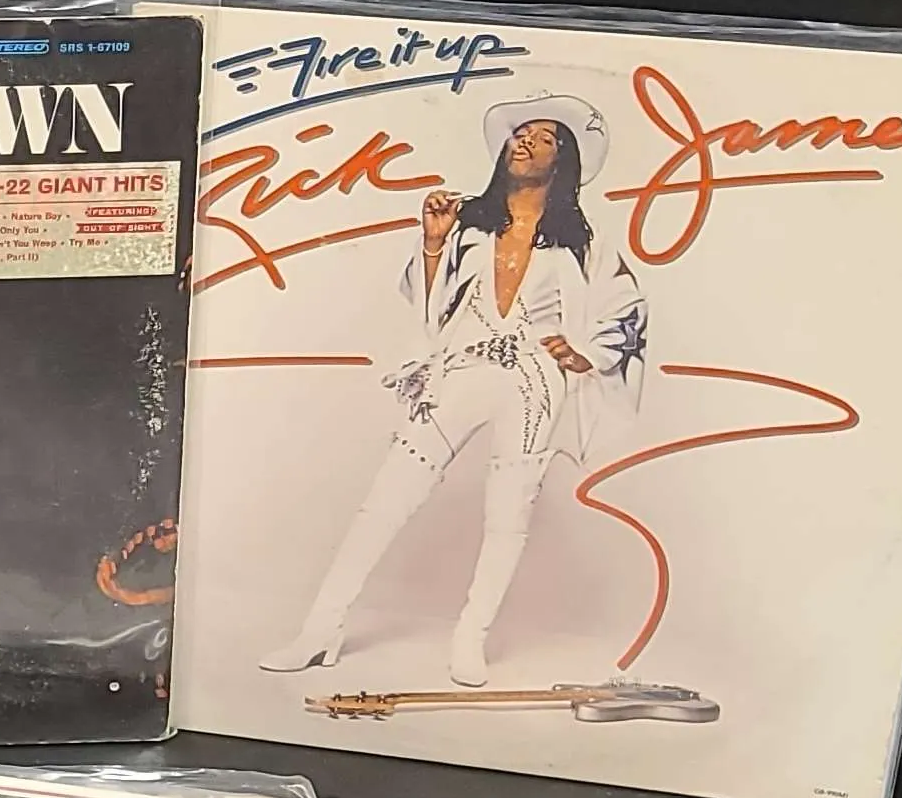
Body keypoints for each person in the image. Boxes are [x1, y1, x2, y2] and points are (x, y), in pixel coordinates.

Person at [265, 91, 648, 687]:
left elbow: (626, 306)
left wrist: (586, 354)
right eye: (520, 133)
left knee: (508, 516)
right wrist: (434, 242)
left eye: (544, 138)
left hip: (534, 383)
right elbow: (431, 308)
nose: (525, 141)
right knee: (385, 500)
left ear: (564, 161)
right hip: (460, 370)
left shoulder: (583, 242)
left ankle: (471, 638)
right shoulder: (469, 222)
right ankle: (320, 629)